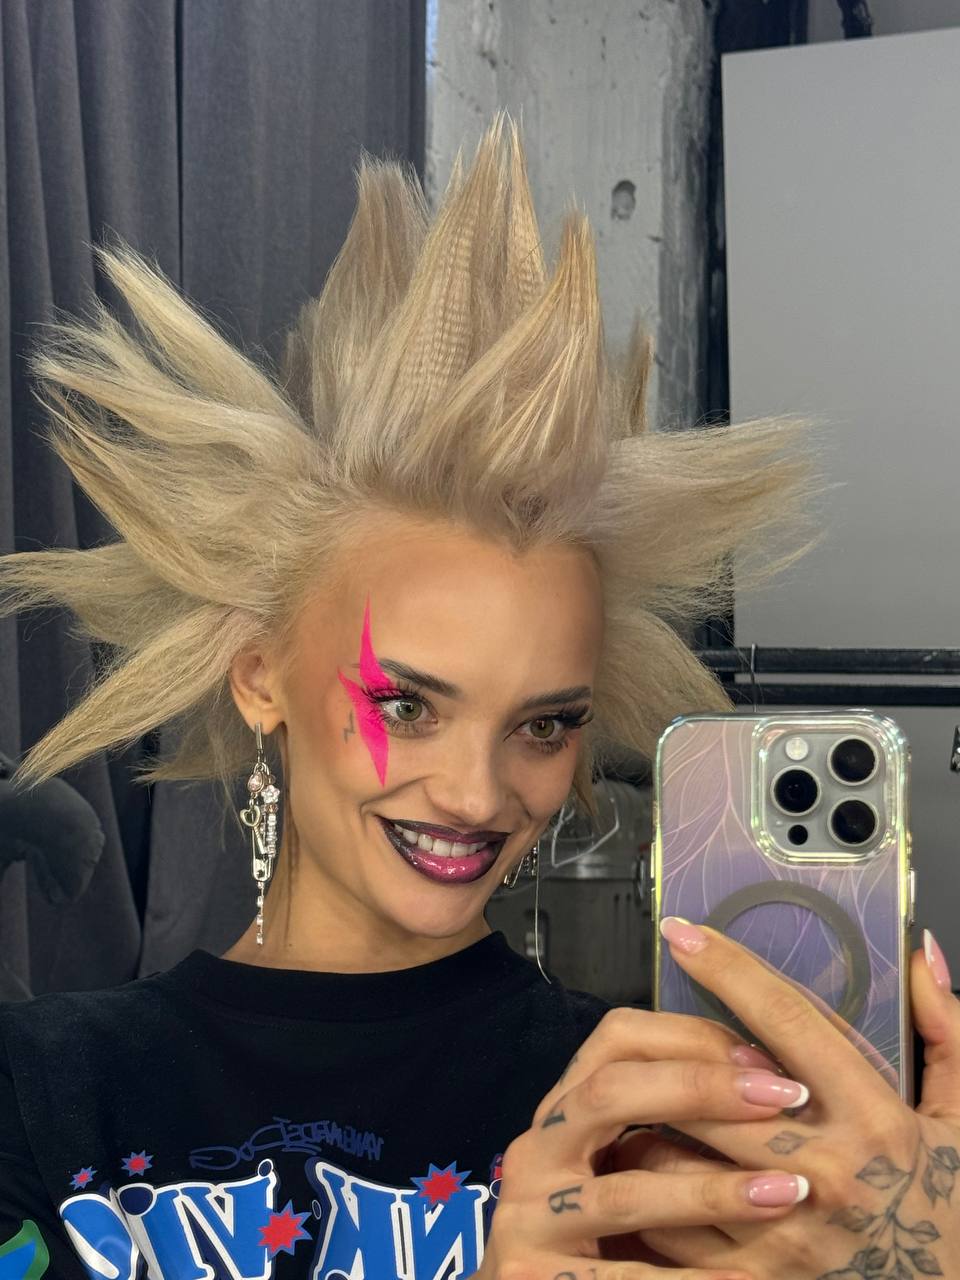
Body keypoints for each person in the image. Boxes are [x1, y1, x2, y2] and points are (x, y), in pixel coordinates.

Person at [0, 115, 957, 1280]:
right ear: (258, 673)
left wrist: (909, 1261)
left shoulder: (651, 1107)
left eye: (543, 724)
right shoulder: (40, 1089)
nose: (476, 791)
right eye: (407, 704)